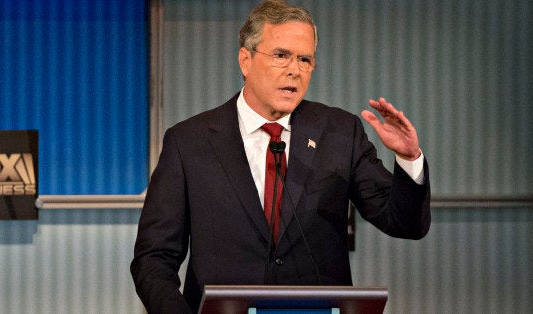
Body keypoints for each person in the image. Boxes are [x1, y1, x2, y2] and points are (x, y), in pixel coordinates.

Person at [130, 1, 430, 313]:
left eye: (305, 59)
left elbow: (404, 223)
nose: (294, 70)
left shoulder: (339, 132)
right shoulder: (189, 142)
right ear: (245, 60)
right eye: (281, 55)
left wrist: (409, 159)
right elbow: (153, 259)